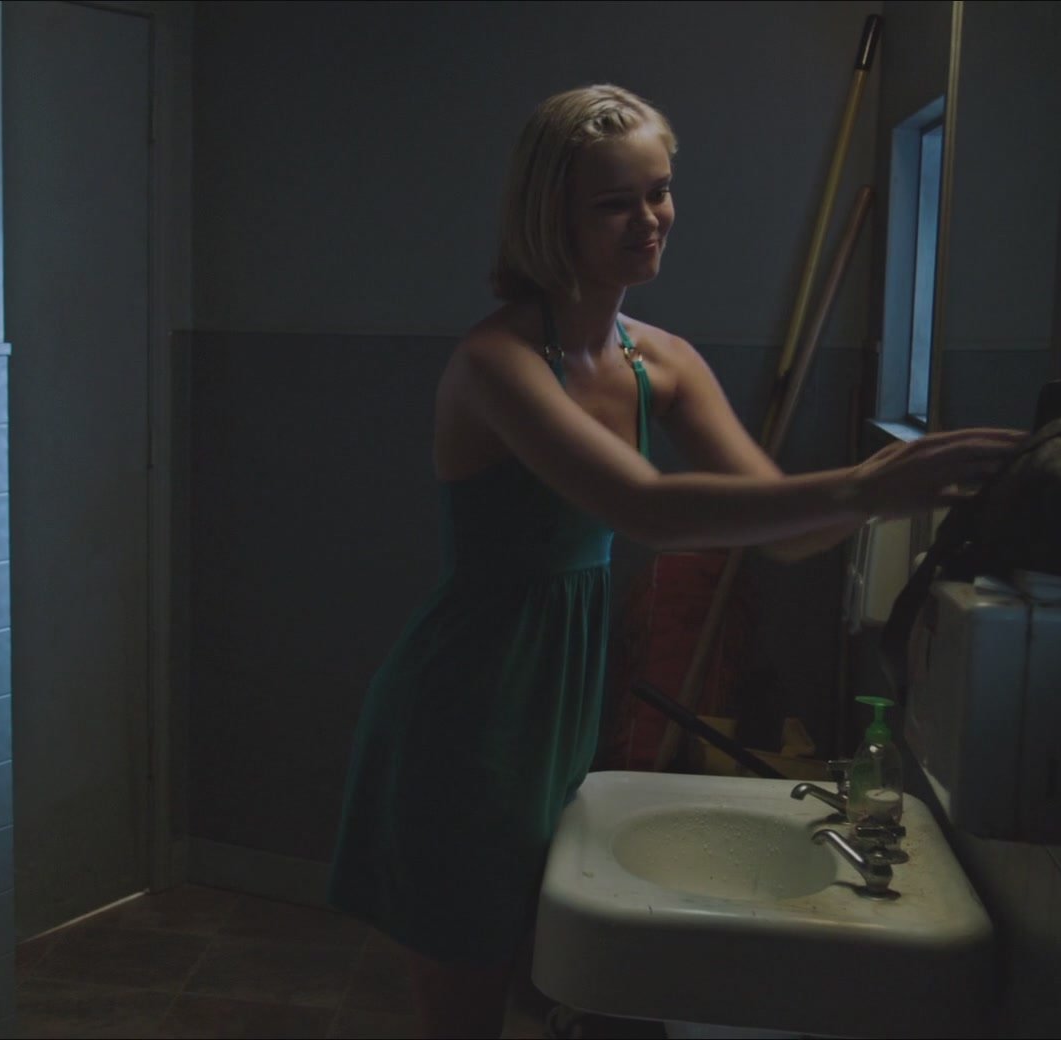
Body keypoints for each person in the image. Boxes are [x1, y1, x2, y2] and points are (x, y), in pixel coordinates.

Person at [325, 84, 1022, 1038]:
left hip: (573, 701)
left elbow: (784, 534)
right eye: (615, 203)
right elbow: (643, 509)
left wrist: (910, 498)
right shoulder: (496, 364)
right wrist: (864, 485)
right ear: (551, 217)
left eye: (658, 191)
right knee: (466, 1010)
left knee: (552, 972)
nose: (650, 219)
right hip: (469, 708)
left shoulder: (664, 361)